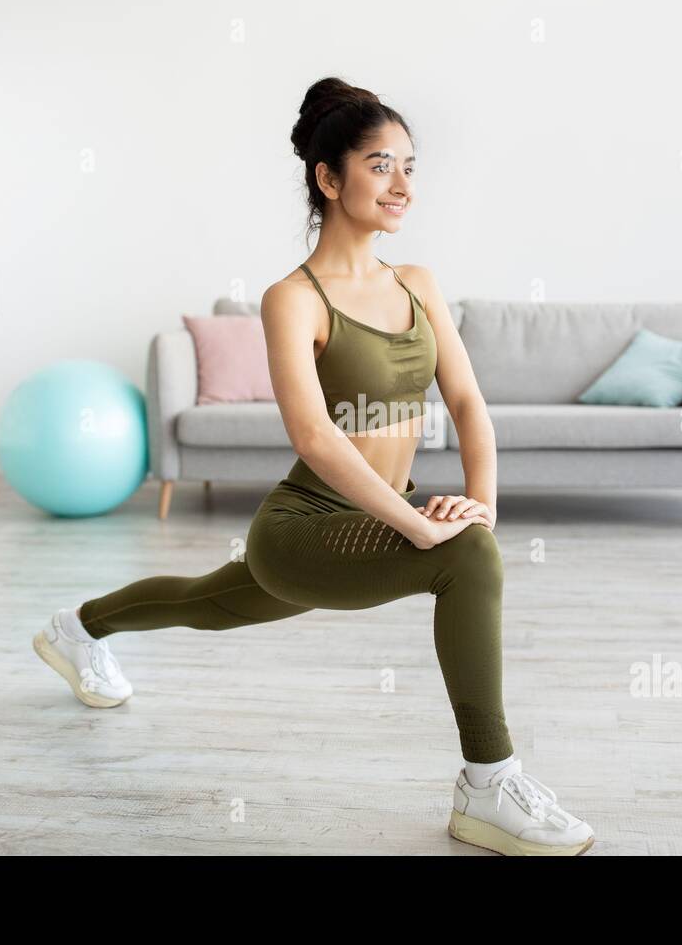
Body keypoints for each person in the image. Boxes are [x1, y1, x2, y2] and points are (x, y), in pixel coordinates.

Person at [34, 77, 594, 856]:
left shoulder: (418, 283)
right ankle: (488, 782)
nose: (402, 183)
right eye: (379, 165)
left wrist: (480, 503)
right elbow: (317, 438)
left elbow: (467, 401)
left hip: (378, 510)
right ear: (329, 179)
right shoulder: (291, 299)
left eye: (409, 165)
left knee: (205, 599)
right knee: (464, 558)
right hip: (303, 527)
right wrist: (419, 525)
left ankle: (77, 626)